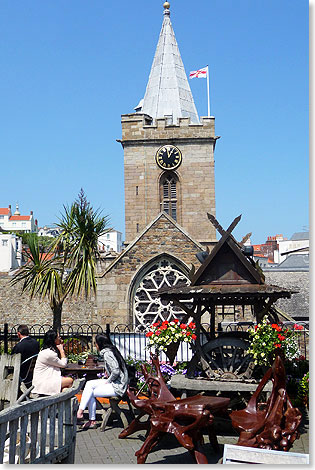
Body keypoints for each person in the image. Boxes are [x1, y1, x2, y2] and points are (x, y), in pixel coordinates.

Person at [77, 334, 129, 429]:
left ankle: (86, 417)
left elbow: (116, 370)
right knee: (89, 384)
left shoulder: (107, 354)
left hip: (118, 386)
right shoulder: (110, 351)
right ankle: (84, 414)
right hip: (118, 383)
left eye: (95, 343)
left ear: (99, 344)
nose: (95, 345)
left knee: (90, 392)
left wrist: (108, 381)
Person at [32, 330, 73, 396]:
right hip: (43, 383)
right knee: (70, 381)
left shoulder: (47, 350)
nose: (61, 339)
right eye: (58, 337)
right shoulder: (49, 353)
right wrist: (61, 350)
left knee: (65, 389)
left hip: (46, 379)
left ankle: (63, 401)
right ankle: (63, 402)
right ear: (54, 340)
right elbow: (63, 364)